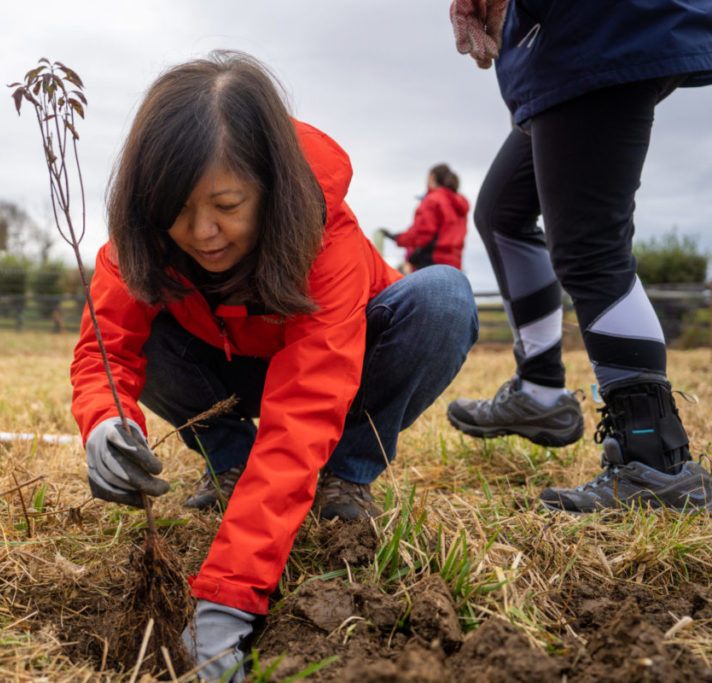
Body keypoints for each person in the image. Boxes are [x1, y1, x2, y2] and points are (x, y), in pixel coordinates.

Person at [70, 51, 479, 681]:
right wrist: (105, 421)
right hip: (224, 373)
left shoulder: (326, 238)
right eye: (178, 210)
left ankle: (346, 475)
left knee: (444, 299)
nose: (202, 232)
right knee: (145, 327)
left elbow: (305, 409)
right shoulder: (143, 238)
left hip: (335, 372)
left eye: (227, 205)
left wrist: (224, 603)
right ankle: (230, 461)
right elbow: (108, 349)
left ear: (270, 185)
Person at [446, 0, 712, 513]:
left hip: (596, 29)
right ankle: (540, 392)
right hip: (562, 43)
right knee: (503, 214)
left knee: (591, 248)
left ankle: (653, 458)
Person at [381, 164, 469, 273]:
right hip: (454, 267)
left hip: (432, 265)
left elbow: (422, 234)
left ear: (432, 177)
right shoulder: (459, 204)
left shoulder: (433, 200)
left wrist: (397, 238)